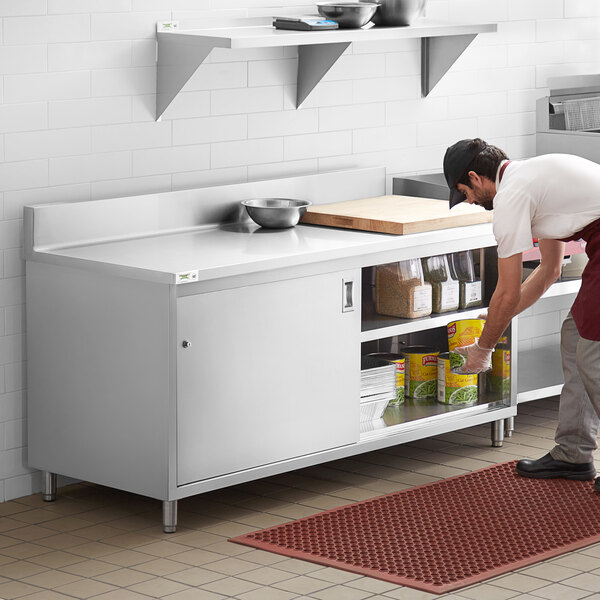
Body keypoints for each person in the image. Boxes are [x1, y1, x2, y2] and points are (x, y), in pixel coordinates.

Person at [444, 138, 600, 484]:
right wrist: (498, 320)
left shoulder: (511, 197)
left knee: (593, 355)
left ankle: (574, 452)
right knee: (576, 336)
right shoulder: (529, 179)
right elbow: (549, 270)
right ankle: (573, 455)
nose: (468, 201)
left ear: (475, 177)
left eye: (464, 192)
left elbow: (507, 289)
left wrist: (484, 350)